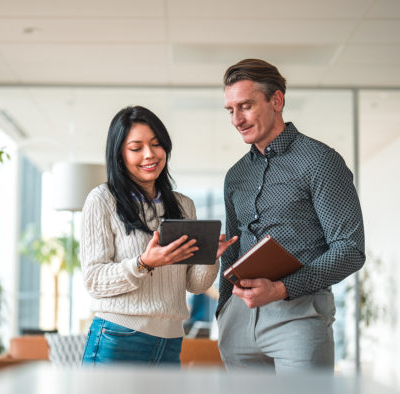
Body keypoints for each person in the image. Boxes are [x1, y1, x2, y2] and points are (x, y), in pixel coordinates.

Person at [217, 58, 365, 372]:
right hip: (239, 323)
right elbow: (231, 248)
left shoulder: (320, 162)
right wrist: (224, 310)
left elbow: (350, 250)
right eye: (230, 110)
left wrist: (282, 289)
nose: (237, 119)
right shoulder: (235, 176)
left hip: (299, 318)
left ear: (277, 100)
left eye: (245, 106)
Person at [80, 105, 237, 366]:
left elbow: (195, 285)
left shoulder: (184, 205)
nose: (149, 154)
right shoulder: (102, 200)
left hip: (170, 340)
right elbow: (93, 280)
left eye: (156, 144)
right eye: (136, 147)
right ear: (119, 154)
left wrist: (210, 256)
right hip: (118, 337)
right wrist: (144, 263)